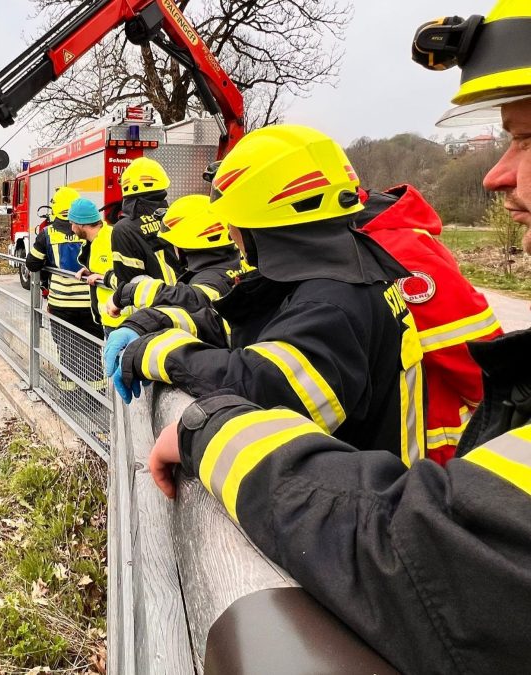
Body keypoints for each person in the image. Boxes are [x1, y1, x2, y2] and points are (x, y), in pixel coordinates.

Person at [145, 3, 531, 671]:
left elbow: (275, 387)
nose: (498, 175)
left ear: (266, 227)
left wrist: (178, 380)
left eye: (526, 137)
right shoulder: (347, 268)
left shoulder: (333, 298)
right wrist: (180, 325)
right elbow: (236, 315)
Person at [109, 125, 425, 462]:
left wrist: (158, 353)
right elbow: (231, 323)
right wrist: (148, 323)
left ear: (262, 222)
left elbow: (265, 386)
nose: (230, 232)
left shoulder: (334, 301)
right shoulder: (332, 270)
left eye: (234, 220)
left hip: (368, 504)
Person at [355, 183, 503, 464]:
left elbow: (471, 353)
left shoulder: (393, 247)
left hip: (433, 447)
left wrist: (502, 419)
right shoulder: (368, 239)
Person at [26, 186, 103, 407]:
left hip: (62, 304)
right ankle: (94, 400)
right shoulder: (92, 232)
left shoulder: (47, 234)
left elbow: (32, 263)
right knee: (90, 349)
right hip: (90, 304)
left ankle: (69, 399)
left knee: (66, 350)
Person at [108, 194, 242, 316]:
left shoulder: (210, 279)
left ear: (186, 247)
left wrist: (128, 292)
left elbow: (192, 299)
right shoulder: (239, 263)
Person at [108, 157, 185, 295]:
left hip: (154, 309)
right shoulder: (177, 217)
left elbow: (127, 284)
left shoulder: (124, 229)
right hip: (187, 300)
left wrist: (108, 277)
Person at [70, 197, 124, 337]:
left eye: (72, 224)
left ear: (81, 224)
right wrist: (91, 272)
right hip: (109, 318)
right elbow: (108, 268)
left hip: (121, 322)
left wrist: (102, 277)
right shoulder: (95, 241)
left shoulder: (112, 238)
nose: (71, 229)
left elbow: (128, 275)